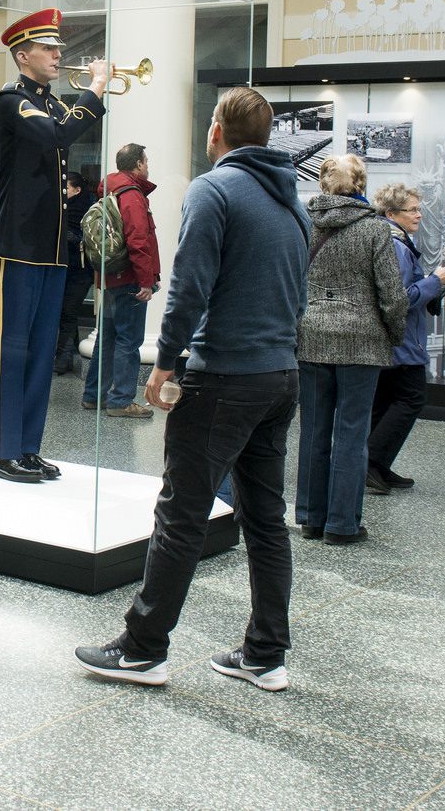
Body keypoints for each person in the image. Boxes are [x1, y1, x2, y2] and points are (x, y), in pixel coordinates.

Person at [75, 87, 308, 691]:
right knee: (265, 519)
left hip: (225, 376)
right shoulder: (293, 199)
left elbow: (192, 287)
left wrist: (166, 362)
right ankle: (265, 654)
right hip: (279, 375)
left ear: (217, 131)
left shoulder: (215, 189)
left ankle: (143, 648)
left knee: (181, 513)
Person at [0, 8, 108, 483]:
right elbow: (59, 132)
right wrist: (95, 88)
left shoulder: (51, 103)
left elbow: (69, 122)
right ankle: (0, 450)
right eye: (49, 48)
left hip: (53, 248)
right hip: (16, 243)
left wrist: (93, 93)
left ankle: (28, 449)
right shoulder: (11, 100)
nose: (59, 54)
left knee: (38, 350)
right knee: (10, 348)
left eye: (59, 47)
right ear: (22, 56)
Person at [293, 155, 407, 545]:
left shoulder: (304, 224)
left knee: (313, 430)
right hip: (362, 340)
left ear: (324, 184)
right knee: (352, 433)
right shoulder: (376, 229)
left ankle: (310, 516)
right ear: (360, 185)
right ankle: (342, 524)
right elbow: (392, 294)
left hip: (311, 336)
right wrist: (394, 334)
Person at [364, 183, 445, 495]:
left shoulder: (387, 239)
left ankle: (375, 464)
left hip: (389, 342)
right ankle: (371, 461)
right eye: (412, 210)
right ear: (391, 213)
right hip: (402, 344)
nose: (419, 215)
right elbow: (400, 297)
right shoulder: (397, 246)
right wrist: (434, 282)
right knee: (410, 398)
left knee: (384, 402)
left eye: (418, 208)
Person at [81, 144, 159, 420]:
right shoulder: (132, 195)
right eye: (146, 161)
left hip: (110, 278)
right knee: (129, 341)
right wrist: (146, 282)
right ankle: (121, 400)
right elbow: (138, 240)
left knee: (106, 339)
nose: (148, 166)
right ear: (138, 164)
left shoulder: (110, 190)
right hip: (130, 280)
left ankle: (94, 396)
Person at [52, 171, 95, 375]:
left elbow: (78, 238)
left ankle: (64, 357)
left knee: (67, 312)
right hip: (72, 269)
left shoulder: (83, 210)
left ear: (77, 190)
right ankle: (68, 353)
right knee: (68, 312)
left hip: (79, 271)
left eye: (66, 188)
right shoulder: (65, 209)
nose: (62, 192)